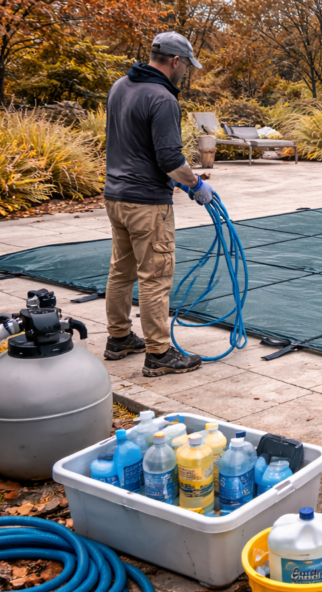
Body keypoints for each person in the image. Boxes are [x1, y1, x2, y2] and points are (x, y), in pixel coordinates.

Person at [102, 31, 211, 377]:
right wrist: (196, 184)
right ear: (175, 61)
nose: (185, 72)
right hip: (147, 203)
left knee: (121, 271)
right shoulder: (163, 99)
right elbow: (169, 160)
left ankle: (119, 339)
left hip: (116, 196)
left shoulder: (120, 86)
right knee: (155, 277)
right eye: (186, 66)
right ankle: (159, 354)